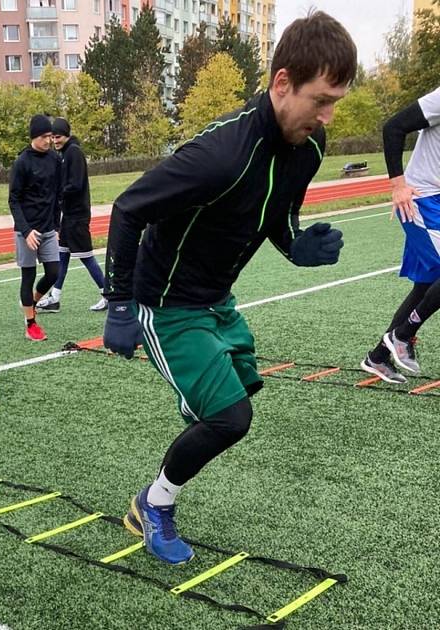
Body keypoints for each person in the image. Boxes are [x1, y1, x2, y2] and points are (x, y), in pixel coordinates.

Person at [101, 11, 355, 565]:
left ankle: (199, 404)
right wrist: (119, 303)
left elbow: (278, 214)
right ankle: (153, 504)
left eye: (336, 100)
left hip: (219, 300)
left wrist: (296, 247)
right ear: (282, 83)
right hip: (166, 304)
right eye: (320, 99)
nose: (328, 115)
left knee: (238, 394)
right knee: (231, 418)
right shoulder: (219, 155)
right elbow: (128, 210)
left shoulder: (309, 148)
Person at [360, 85, 440, 383]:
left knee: (427, 285)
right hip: (420, 198)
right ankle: (402, 335)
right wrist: (398, 185)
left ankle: (379, 356)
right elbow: (394, 127)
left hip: (437, 200)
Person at [36, 117, 107, 313]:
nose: (54, 141)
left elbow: (75, 185)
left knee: (86, 256)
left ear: (66, 135)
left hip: (77, 215)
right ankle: (55, 297)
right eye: (52, 137)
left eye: (57, 137)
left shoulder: (74, 153)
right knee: (62, 256)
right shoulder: (66, 153)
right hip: (69, 215)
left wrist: (56, 194)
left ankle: (108, 294)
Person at [8, 114, 61, 341]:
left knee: (53, 273)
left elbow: (57, 196)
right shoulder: (22, 163)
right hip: (26, 230)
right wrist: (26, 230)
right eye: (44, 137)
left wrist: (57, 227)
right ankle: (30, 324)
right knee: (27, 276)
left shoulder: (55, 160)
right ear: (33, 137)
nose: (48, 141)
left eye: (50, 136)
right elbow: (14, 200)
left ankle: (31, 302)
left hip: (48, 228)